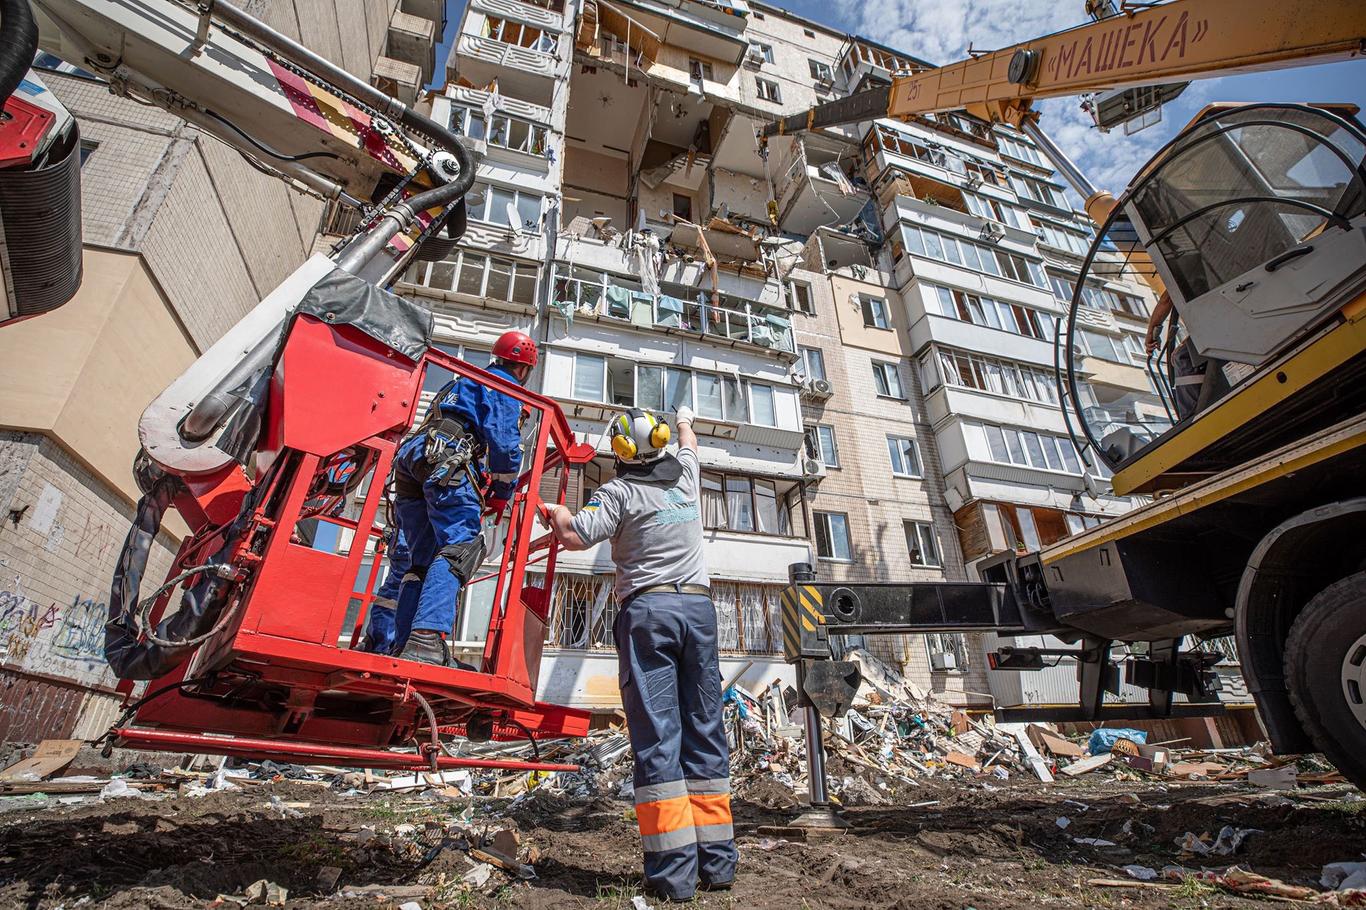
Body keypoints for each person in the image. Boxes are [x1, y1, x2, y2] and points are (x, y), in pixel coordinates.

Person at [539, 405, 735, 902]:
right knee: (705, 728)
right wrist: (687, 419)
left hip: (649, 612)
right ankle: (717, 865)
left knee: (658, 734)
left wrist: (555, 511)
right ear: (664, 440)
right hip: (699, 610)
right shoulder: (687, 476)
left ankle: (673, 876)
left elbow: (572, 535)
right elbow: (690, 444)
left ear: (622, 451)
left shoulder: (620, 492)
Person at [388, 330, 537, 667]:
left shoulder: (463, 381)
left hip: (414, 458)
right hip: (446, 461)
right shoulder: (504, 385)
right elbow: (505, 446)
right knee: (460, 547)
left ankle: (406, 645)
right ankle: (426, 638)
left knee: (422, 560)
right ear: (524, 369)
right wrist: (501, 494)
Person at [1145, 290, 1228, 420]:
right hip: (1224, 320)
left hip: (1221, 324)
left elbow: (1167, 299)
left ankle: (1190, 417)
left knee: (1182, 358)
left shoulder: (1185, 272)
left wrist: (1151, 333)